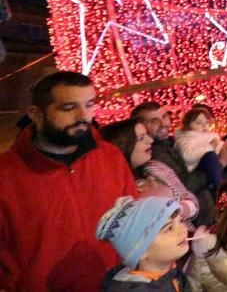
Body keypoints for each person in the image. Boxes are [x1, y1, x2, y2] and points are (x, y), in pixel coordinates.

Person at [0, 72, 138, 291]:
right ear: (36, 114)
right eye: (68, 108)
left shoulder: (110, 157)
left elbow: (133, 220)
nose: (83, 115)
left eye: (89, 105)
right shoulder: (7, 174)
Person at [133, 101, 227, 226]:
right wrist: (221, 162)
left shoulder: (172, 141)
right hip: (200, 221)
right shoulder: (153, 155)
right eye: (153, 121)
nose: (163, 124)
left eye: (164, 116)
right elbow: (184, 187)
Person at [101, 118, 200, 226]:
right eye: (141, 138)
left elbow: (189, 197)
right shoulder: (115, 189)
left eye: (147, 135)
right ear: (124, 145)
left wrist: (181, 209)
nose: (150, 140)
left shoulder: (157, 167)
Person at [96, 196, 192, 291]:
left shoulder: (170, 270)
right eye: (169, 228)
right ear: (141, 250)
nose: (183, 229)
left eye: (180, 221)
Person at [174, 107, 225, 191]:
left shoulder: (211, 136)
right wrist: (210, 147)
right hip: (196, 169)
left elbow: (220, 148)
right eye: (199, 123)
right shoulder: (184, 139)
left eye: (206, 122)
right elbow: (188, 156)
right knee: (210, 156)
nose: (204, 126)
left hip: (216, 167)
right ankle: (219, 190)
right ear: (188, 125)